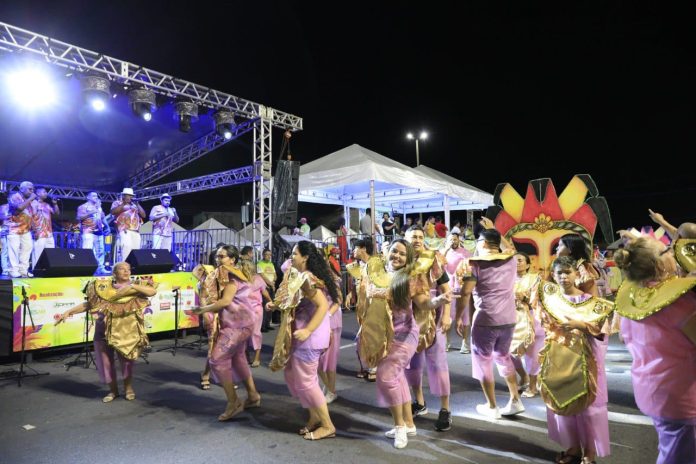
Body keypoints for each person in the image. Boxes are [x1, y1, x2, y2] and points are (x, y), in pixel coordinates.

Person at [615, 236, 696, 464]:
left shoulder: (632, 297)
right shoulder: (681, 302)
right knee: (678, 457)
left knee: (669, 446)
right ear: (660, 265)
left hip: (650, 390)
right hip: (680, 397)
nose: (672, 252)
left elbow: (623, 336)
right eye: (666, 251)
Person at [373, 239, 450, 448]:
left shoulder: (409, 278)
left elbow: (424, 302)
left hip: (404, 335)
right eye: (393, 251)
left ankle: (400, 427)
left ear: (408, 259)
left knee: (386, 377)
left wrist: (438, 301)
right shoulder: (378, 274)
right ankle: (409, 424)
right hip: (382, 336)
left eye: (401, 254)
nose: (396, 256)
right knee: (398, 378)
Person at [539, 256, 613, 464]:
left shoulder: (590, 303)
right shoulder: (548, 299)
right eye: (559, 272)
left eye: (567, 272)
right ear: (553, 275)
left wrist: (581, 325)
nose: (563, 276)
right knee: (562, 400)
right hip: (558, 356)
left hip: (585, 358)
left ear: (576, 274)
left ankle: (589, 452)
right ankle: (572, 448)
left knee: (589, 408)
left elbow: (602, 331)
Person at [267, 241, 338, 441]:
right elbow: (297, 301)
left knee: (306, 382)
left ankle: (327, 425)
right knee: (292, 376)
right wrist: (276, 305)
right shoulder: (300, 276)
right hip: (302, 336)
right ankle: (315, 417)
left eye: (295, 254)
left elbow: (323, 305)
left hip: (310, 338)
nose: (292, 257)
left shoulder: (307, 278)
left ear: (305, 257)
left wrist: (307, 330)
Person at [55, 262, 156, 402]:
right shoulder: (102, 287)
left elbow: (152, 292)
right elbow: (89, 304)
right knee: (105, 363)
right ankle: (113, 391)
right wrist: (68, 311)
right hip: (102, 330)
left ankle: (128, 388)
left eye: (128, 269)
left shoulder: (137, 286)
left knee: (126, 363)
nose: (126, 271)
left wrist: (131, 286)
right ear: (114, 273)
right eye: (122, 269)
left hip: (125, 332)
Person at [456, 218, 525, 419]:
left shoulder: (474, 264)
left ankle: (491, 405)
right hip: (509, 318)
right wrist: (494, 229)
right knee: (503, 357)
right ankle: (515, 400)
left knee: (483, 361)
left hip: (486, 319)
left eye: (479, 240)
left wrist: (459, 317)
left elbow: (465, 293)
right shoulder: (511, 260)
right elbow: (508, 247)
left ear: (484, 244)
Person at [191, 245, 262, 421]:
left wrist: (201, 310)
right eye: (217, 256)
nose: (218, 259)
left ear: (232, 259)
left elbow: (225, 302)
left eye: (222, 257)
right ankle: (253, 396)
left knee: (217, 359)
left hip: (237, 326)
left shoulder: (232, 277)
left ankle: (233, 402)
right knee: (238, 358)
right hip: (242, 323)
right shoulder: (231, 273)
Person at [404, 225, 454, 431]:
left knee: (438, 364)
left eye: (419, 236)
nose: (416, 239)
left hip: (432, 317)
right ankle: (420, 402)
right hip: (407, 321)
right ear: (405, 239)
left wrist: (447, 316)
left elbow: (446, 289)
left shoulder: (432, 259)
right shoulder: (400, 259)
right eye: (412, 236)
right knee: (413, 366)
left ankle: (445, 410)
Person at [510, 252, 544, 398]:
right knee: (508, 352)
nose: (516, 263)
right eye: (514, 261)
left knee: (532, 354)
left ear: (528, 264)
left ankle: (532, 385)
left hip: (531, 319)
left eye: (520, 260)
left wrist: (525, 298)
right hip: (510, 319)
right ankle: (523, 376)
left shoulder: (535, 279)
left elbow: (540, 300)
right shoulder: (505, 279)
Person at [319, 252, 343, 404]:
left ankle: (331, 390)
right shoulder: (311, 276)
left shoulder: (331, 277)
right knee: (319, 360)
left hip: (331, 320)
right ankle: (327, 387)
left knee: (329, 359)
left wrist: (326, 315)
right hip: (317, 321)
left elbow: (338, 300)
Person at [239, 259, 271, 368]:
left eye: (241, 266)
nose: (239, 268)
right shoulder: (239, 279)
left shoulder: (257, 278)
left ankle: (257, 357)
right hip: (242, 310)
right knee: (243, 333)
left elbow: (264, 292)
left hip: (256, 309)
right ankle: (246, 354)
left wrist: (271, 301)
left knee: (255, 333)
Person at [443, 232, 472, 353]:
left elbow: (470, 269)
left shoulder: (465, 253)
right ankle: (446, 342)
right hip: (448, 289)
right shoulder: (444, 252)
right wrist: (445, 250)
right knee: (448, 315)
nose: (453, 241)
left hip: (461, 289)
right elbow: (439, 265)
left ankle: (465, 344)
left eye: (455, 239)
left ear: (459, 240)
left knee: (465, 316)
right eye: (451, 239)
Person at [7, 181, 36, 277]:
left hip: (26, 230)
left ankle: (23, 270)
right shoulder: (15, 196)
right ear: (21, 189)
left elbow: (31, 215)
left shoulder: (29, 201)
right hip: (14, 228)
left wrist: (34, 228)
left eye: (32, 189)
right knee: (14, 250)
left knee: (27, 249)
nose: (32, 191)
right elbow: (19, 208)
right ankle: (13, 270)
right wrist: (31, 198)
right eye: (30, 189)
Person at [77, 192, 110, 275]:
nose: (96, 197)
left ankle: (100, 269)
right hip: (88, 231)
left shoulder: (99, 207)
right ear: (88, 197)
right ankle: (87, 269)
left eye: (96, 196)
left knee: (101, 251)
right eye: (93, 196)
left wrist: (107, 226)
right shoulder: (83, 206)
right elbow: (78, 217)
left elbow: (102, 218)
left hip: (99, 231)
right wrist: (90, 213)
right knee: (88, 251)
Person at [111, 188, 145, 261]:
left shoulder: (134, 205)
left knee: (136, 249)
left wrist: (137, 204)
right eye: (128, 195)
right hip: (124, 230)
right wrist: (123, 203)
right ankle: (125, 266)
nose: (130, 197)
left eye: (131, 196)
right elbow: (113, 212)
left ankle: (134, 267)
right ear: (123, 196)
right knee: (127, 247)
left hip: (135, 231)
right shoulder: (117, 203)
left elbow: (143, 215)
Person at [30, 187, 59, 269]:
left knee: (50, 254)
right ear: (38, 193)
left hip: (49, 233)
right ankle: (36, 270)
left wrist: (55, 204)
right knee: (38, 253)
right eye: (44, 192)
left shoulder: (47, 205)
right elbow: (31, 218)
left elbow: (56, 213)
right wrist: (35, 231)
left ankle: (47, 270)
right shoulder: (33, 203)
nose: (46, 193)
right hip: (39, 232)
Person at [257, 248, 277, 331]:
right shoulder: (259, 264)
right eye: (267, 254)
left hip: (271, 286)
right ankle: (263, 326)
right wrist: (270, 283)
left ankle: (268, 323)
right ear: (263, 255)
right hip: (265, 287)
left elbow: (275, 274)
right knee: (265, 306)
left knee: (270, 305)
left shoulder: (271, 264)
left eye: (270, 255)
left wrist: (273, 282)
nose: (268, 256)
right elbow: (262, 275)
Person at [0, 195, 11, 276]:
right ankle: (5, 269)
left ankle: (10, 268)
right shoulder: (3, 207)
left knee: (12, 251)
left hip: (13, 231)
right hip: (4, 231)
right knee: (4, 251)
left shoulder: (12, 207)